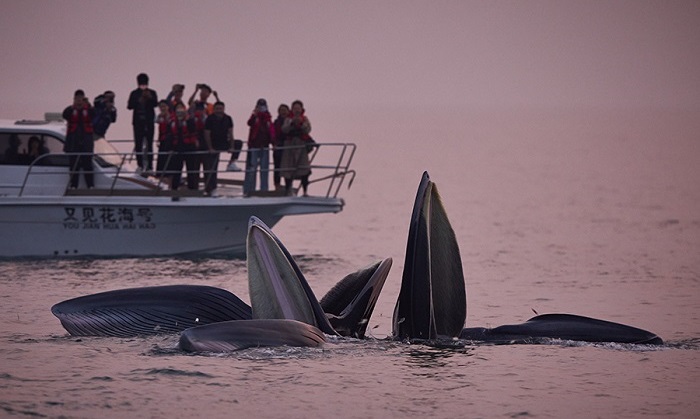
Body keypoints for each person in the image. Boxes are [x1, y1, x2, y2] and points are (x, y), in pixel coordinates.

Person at [62, 89, 95, 189]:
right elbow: (65, 114)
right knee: (73, 164)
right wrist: (73, 106)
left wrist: (89, 106)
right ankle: (73, 185)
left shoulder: (89, 109)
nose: (79, 101)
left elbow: (94, 114)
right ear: (74, 99)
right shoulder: (71, 110)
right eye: (77, 99)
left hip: (86, 141)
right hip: (73, 141)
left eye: (81, 99)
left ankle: (90, 185)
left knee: (87, 164)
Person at [127, 73, 158, 174]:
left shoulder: (152, 92)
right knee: (138, 144)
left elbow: (155, 104)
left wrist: (149, 98)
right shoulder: (134, 93)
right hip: (138, 122)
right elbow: (129, 106)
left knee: (150, 144)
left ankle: (150, 166)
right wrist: (138, 100)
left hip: (149, 122)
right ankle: (139, 165)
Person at [280, 100, 312, 196]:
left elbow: (308, 129)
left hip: (301, 146)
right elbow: (284, 129)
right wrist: (291, 124)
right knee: (287, 169)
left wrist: (301, 124)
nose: (296, 110)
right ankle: (288, 189)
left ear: (302, 109)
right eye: (295, 108)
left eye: (298, 108)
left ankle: (305, 191)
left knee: (304, 169)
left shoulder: (305, 119)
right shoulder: (288, 119)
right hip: (289, 146)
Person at [243, 98, 274, 196]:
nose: (261, 108)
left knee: (264, 170)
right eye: (259, 106)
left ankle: (264, 190)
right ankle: (249, 189)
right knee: (252, 169)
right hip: (254, 147)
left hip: (264, 147)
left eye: (263, 106)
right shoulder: (254, 117)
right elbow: (249, 123)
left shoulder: (268, 118)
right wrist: (254, 114)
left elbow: (271, 132)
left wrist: (273, 143)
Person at [203, 101, 234, 195]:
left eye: (221, 109)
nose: (219, 111)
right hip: (213, 144)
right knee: (211, 168)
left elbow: (231, 133)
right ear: (214, 109)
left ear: (223, 109)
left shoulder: (228, 118)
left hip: (223, 142)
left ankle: (232, 163)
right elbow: (206, 134)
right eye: (217, 109)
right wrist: (210, 148)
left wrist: (231, 147)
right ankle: (210, 189)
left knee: (238, 144)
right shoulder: (210, 118)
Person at [168, 102, 199, 191]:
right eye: (178, 111)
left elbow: (193, 130)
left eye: (182, 111)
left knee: (191, 169)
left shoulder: (190, 120)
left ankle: (192, 188)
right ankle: (174, 188)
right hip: (177, 148)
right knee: (177, 169)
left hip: (189, 147)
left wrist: (188, 119)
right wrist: (170, 148)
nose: (180, 113)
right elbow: (170, 136)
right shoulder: (172, 122)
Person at [272, 103, 290, 191]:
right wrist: (274, 144)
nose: (283, 112)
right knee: (277, 167)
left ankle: (288, 185)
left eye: (284, 110)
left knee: (287, 167)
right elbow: (273, 134)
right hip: (278, 146)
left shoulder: (291, 121)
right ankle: (277, 185)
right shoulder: (276, 122)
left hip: (287, 146)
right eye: (281, 110)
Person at [155, 99, 173, 183]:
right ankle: (160, 179)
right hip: (162, 140)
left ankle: (169, 180)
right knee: (161, 160)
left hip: (170, 141)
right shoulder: (159, 117)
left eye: (164, 106)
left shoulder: (172, 116)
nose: (162, 108)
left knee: (169, 162)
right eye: (160, 106)